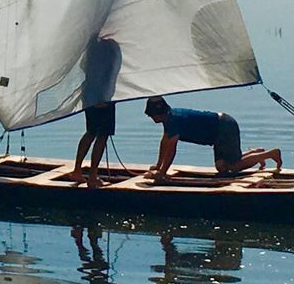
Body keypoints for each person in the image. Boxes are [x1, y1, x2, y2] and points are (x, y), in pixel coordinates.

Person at [142, 96, 281, 178]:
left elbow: (171, 150)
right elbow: (165, 142)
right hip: (219, 132)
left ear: (159, 113)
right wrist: (158, 166)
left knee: (232, 167)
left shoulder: (173, 120)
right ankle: (257, 153)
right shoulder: (169, 118)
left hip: (224, 127)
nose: (150, 117)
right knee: (221, 167)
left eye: (151, 115)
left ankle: (270, 154)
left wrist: (162, 173)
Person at [63, 36, 122, 186]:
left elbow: (84, 68)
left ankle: (77, 170)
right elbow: (110, 72)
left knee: (91, 132)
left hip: (89, 95)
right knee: (101, 136)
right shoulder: (109, 47)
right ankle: (92, 176)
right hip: (103, 97)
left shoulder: (90, 46)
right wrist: (103, 97)